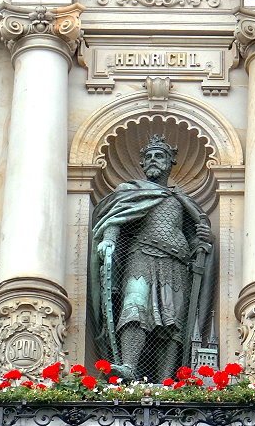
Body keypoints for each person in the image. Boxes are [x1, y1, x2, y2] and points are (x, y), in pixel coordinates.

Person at [89, 135, 214, 381]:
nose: (153, 160)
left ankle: (166, 379)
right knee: (134, 308)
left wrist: (202, 239)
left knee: (171, 322)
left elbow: (194, 236)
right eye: (148, 157)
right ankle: (128, 366)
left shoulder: (181, 200)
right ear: (142, 164)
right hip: (141, 256)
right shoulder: (131, 191)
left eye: (159, 156)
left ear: (170, 162)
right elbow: (117, 217)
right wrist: (109, 240)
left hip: (176, 263)